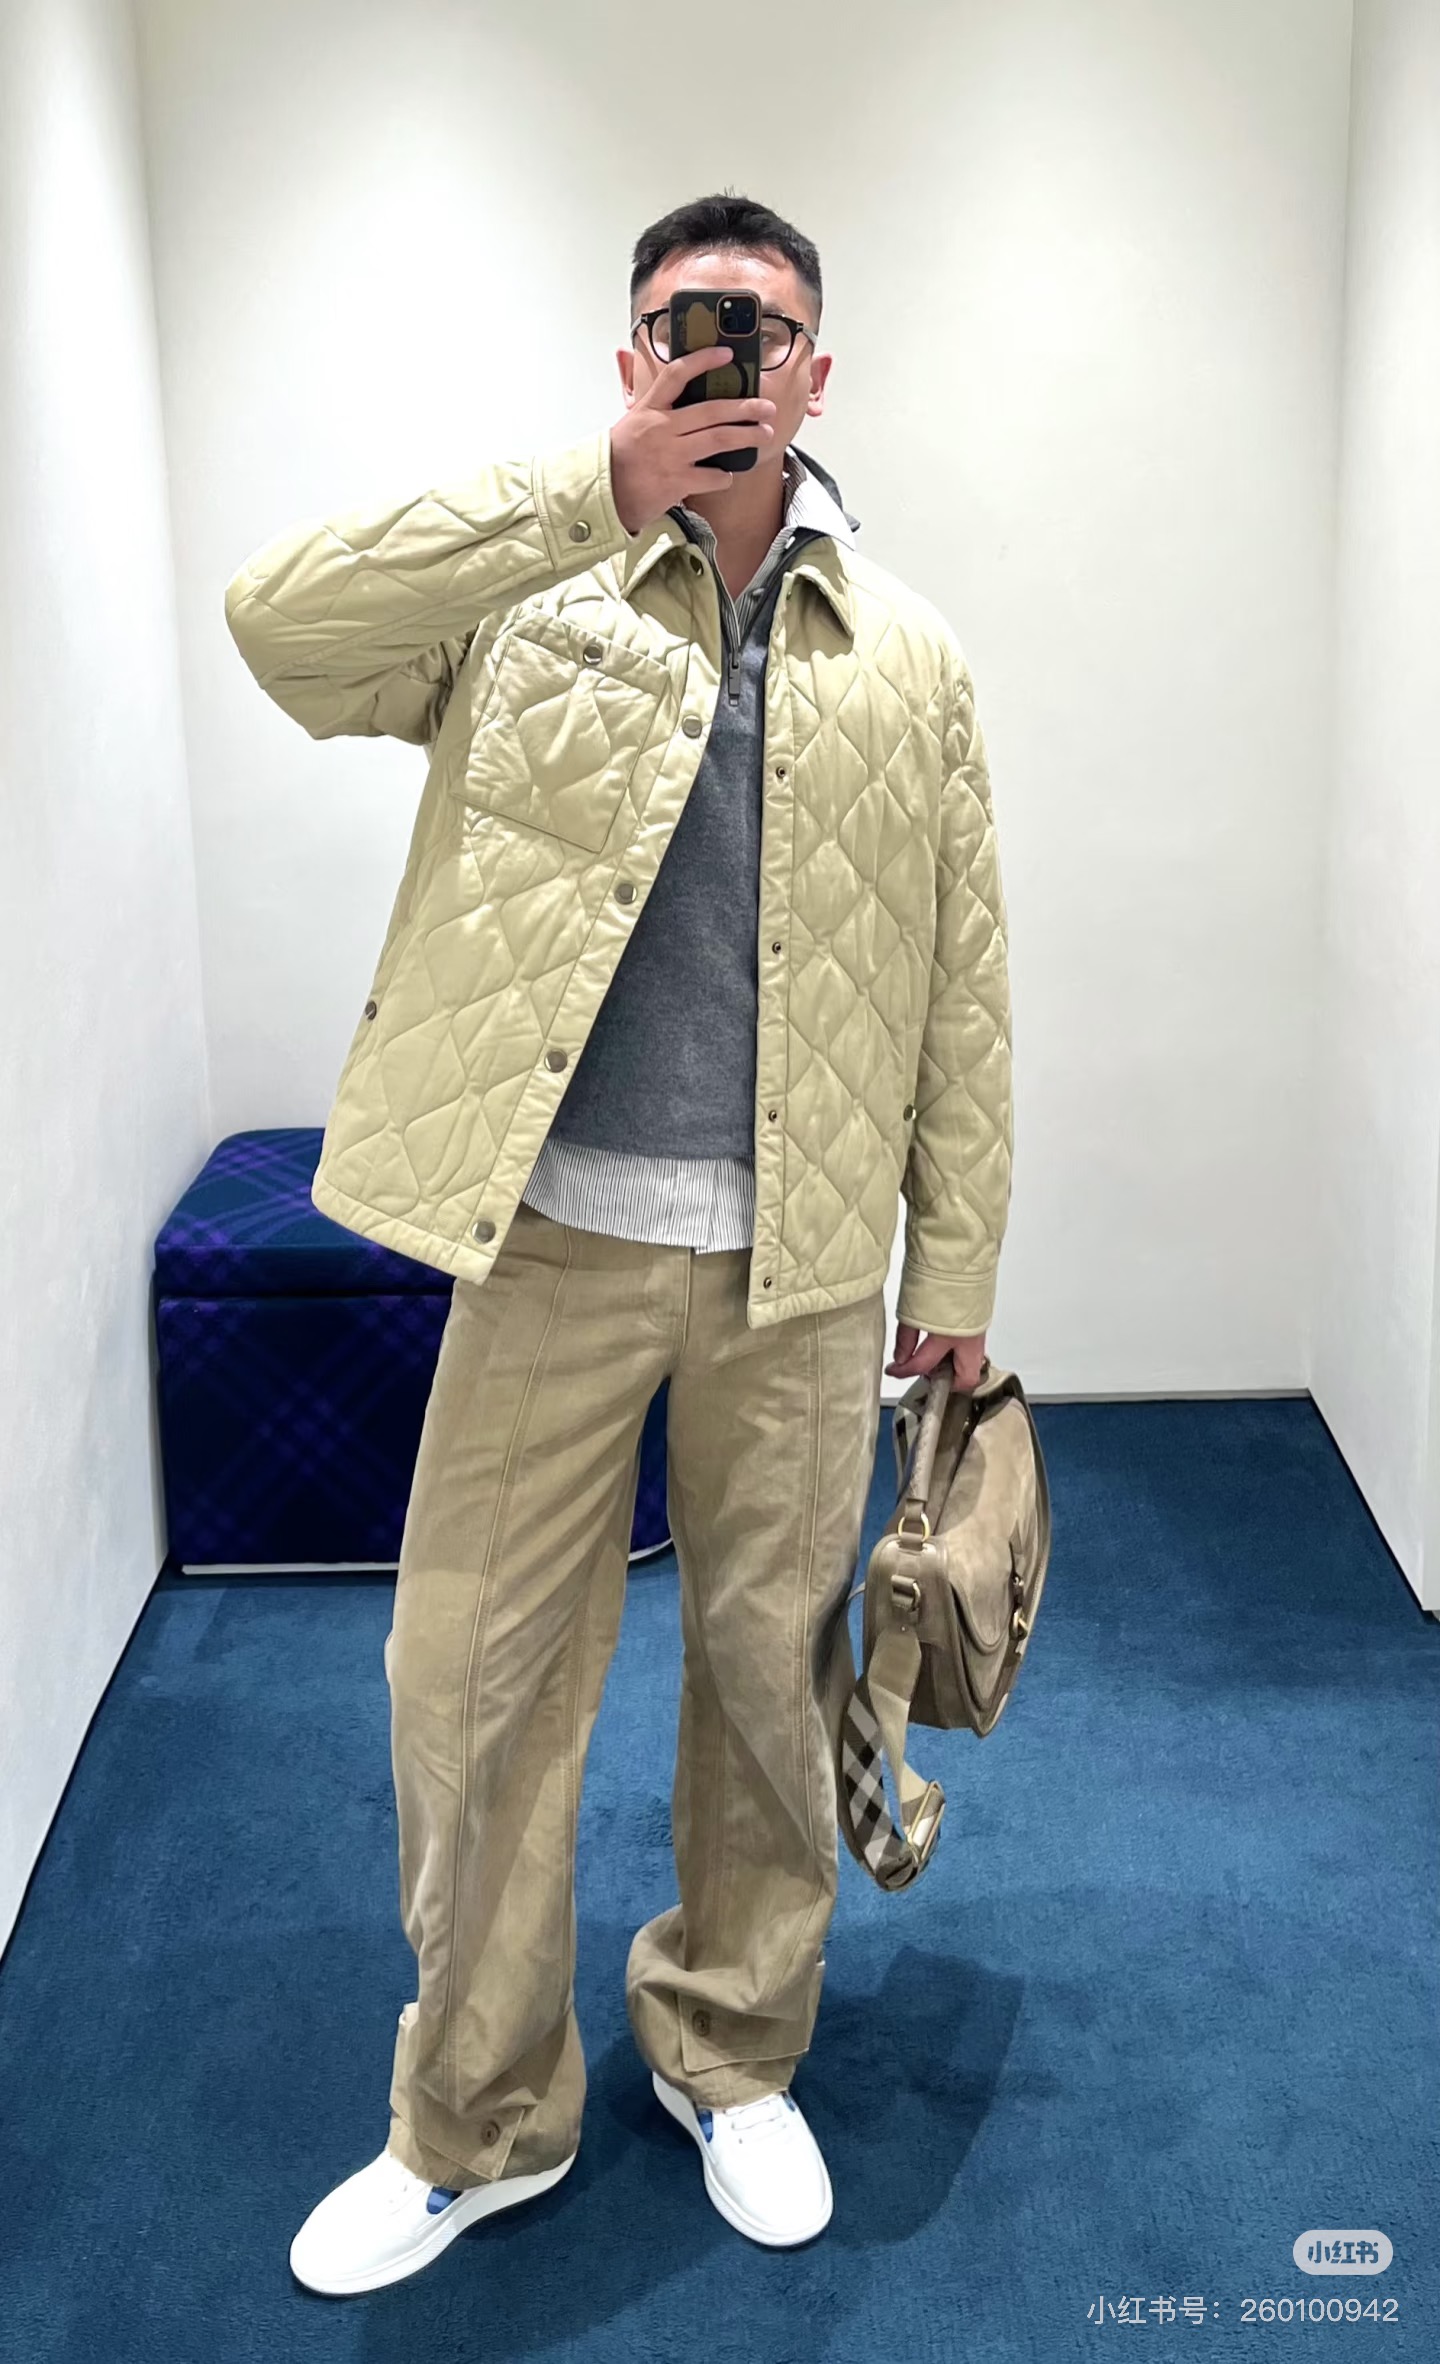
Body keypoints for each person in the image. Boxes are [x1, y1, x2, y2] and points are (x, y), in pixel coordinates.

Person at [224, 190, 1013, 2296]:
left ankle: (731, 2053)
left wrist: (955, 1269)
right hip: (555, 1242)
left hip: (806, 1269)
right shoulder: (531, 594)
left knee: (771, 1680)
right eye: (685, 323)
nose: (724, 355)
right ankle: (477, 2117)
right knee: (467, 1681)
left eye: (759, 327)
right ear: (632, 355)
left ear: (819, 373)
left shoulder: (911, 657)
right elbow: (282, 628)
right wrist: (591, 489)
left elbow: (964, 980)